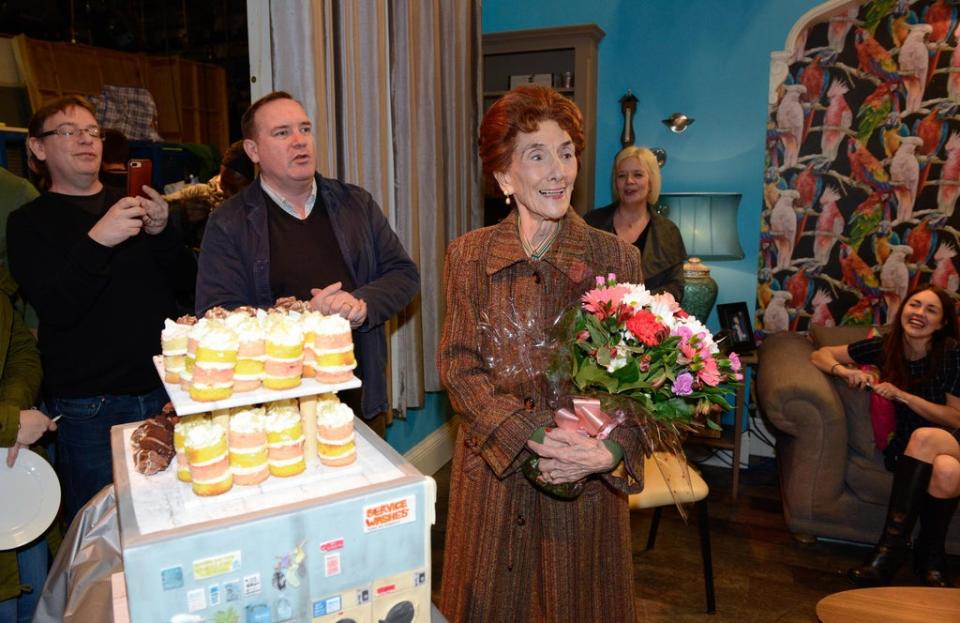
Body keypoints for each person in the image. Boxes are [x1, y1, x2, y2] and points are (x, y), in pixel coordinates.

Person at [437, 85, 646, 622]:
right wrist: (531, 436)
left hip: (584, 487)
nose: (558, 170)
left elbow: (641, 383)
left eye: (566, 152)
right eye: (537, 154)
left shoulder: (616, 259)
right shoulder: (468, 256)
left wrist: (614, 452)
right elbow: (459, 369)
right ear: (505, 177)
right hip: (493, 479)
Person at [7, 95, 192, 523]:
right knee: (102, 529)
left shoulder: (132, 203)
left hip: (164, 392)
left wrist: (164, 232)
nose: (86, 140)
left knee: (173, 518)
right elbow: (57, 308)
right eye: (68, 132)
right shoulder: (29, 223)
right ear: (37, 148)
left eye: (93, 131)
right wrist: (97, 241)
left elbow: (187, 287)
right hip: (91, 409)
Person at [196, 92, 419, 437]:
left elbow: (403, 274)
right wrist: (303, 315)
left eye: (305, 129)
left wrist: (361, 304)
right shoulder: (229, 222)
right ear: (253, 151)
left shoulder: (355, 203)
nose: (299, 141)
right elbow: (215, 316)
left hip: (357, 402)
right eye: (282, 133)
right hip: (276, 414)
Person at [810, 284, 960, 587]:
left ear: (942, 323)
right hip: (910, 448)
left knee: (926, 438)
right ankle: (929, 556)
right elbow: (821, 355)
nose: (919, 313)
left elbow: (955, 417)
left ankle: (890, 552)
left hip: (952, 437)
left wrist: (904, 397)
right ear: (903, 309)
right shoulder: (886, 346)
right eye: (914, 305)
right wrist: (844, 371)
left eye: (931, 310)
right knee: (947, 470)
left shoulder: (952, 355)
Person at [0, 265, 58, 623]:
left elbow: (20, 353)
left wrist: (13, 414)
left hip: (17, 479)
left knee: (36, 603)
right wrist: (10, 422)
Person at [585, 145, 686, 302]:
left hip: (651, 320)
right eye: (621, 176)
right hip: (598, 321)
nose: (629, 181)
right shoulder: (591, 223)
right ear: (615, 182)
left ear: (651, 181)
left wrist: (639, 304)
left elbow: (676, 287)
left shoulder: (669, 232)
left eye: (637, 175)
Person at [165, 140, 256, 252]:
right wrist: (180, 213)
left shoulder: (262, 212)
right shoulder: (202, 194)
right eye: (223, 183)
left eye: (233, 188)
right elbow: (157, 207)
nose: (226, 192)